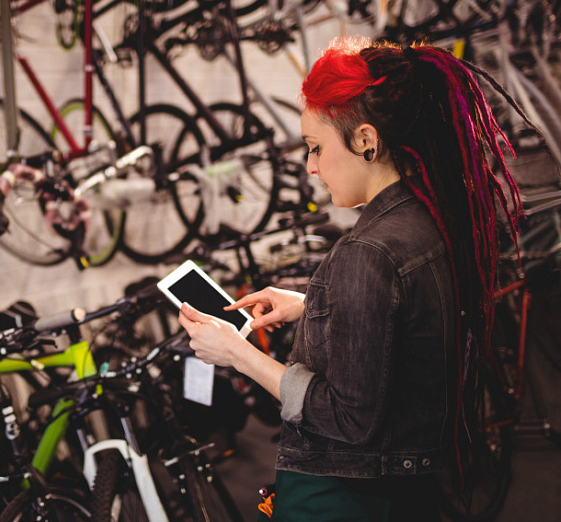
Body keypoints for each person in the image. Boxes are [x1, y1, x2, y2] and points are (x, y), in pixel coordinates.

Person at [177, 37, 531, 521]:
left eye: (316, 147)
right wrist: (313, 305)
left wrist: (238, 354)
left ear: (365, 140)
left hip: (346, 497)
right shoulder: (429, 218)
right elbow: (407, 322)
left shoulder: (369, 251)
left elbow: (348, 419)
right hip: (406, 490)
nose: (310, 167)